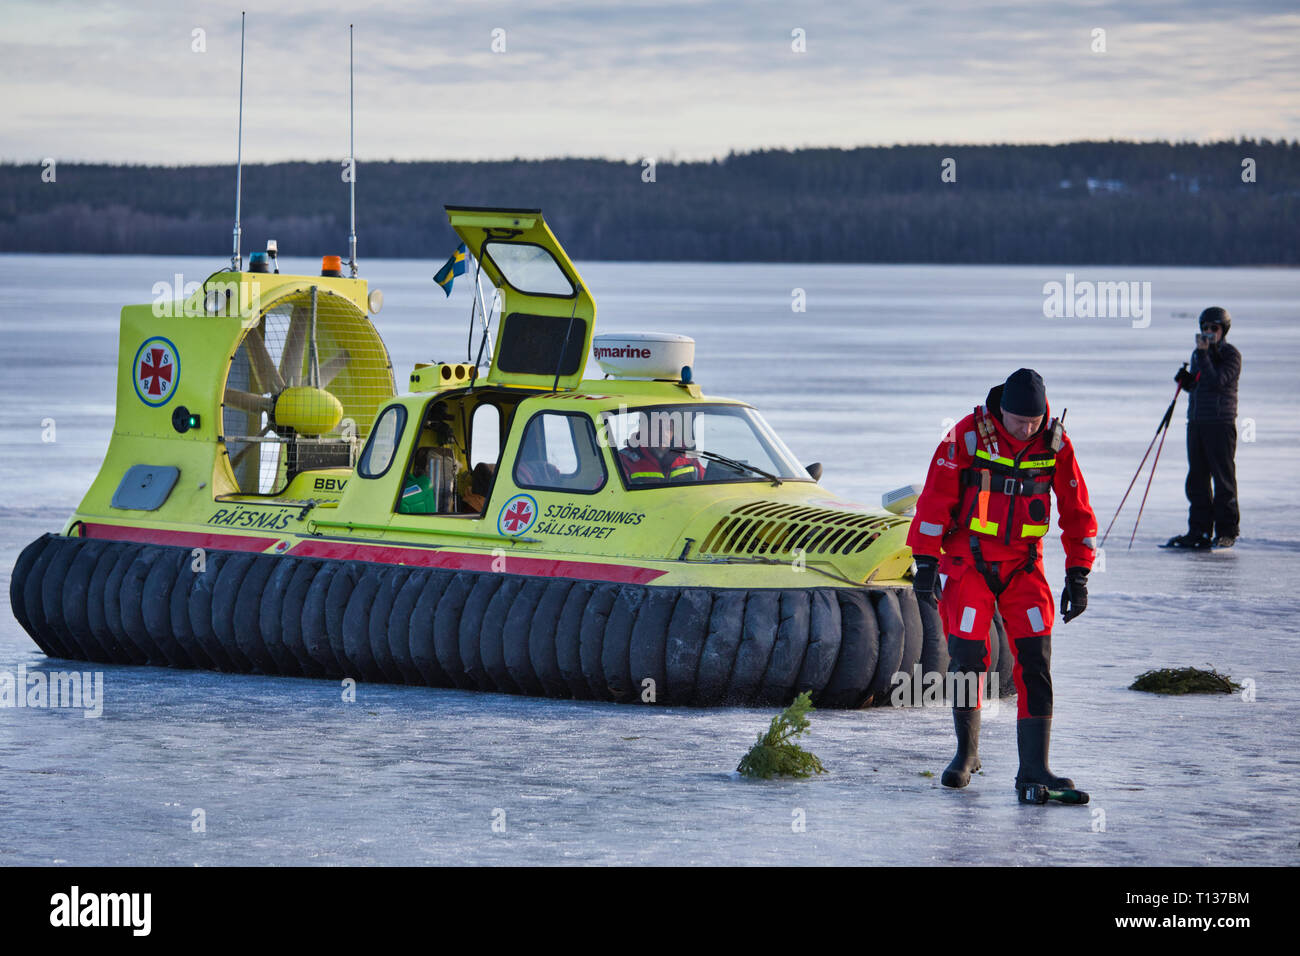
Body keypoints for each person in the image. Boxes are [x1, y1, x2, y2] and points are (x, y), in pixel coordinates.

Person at [906, 368, 1098, 800]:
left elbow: (1076, 509)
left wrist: (1078, 573)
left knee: (1035, 659)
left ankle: (1035, 768)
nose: (1025, 429)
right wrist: (925, 561)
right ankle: (965, 754)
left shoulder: (1055, 443)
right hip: (968, 560)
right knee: (967, 656)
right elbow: (934, 498)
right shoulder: (968, 437)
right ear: (1001, 410)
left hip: (1023, 564)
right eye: (1018, 421)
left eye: (1033, 422)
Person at [1166, 307, 1241, 550]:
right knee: (1196, 479)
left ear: (1223, 330)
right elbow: (1200, 384)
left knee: (1223, 479)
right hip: (1197, 422)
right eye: (1205, 328)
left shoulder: (1231, 355)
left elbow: (1218, 381)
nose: (1208, 333)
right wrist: (1186, 381)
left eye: (1214, 329)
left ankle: (1227, 531)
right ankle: (1198, 530)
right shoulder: (1199, 355)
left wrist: (1204, 355)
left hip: (1220, 424)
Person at [617, 413, 704, 484]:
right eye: (656, 428)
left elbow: (706, 483)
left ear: (673, 432)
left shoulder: (687, 457)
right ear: (643, 430)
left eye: (668, 428)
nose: (663, 434)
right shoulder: (623, 460)